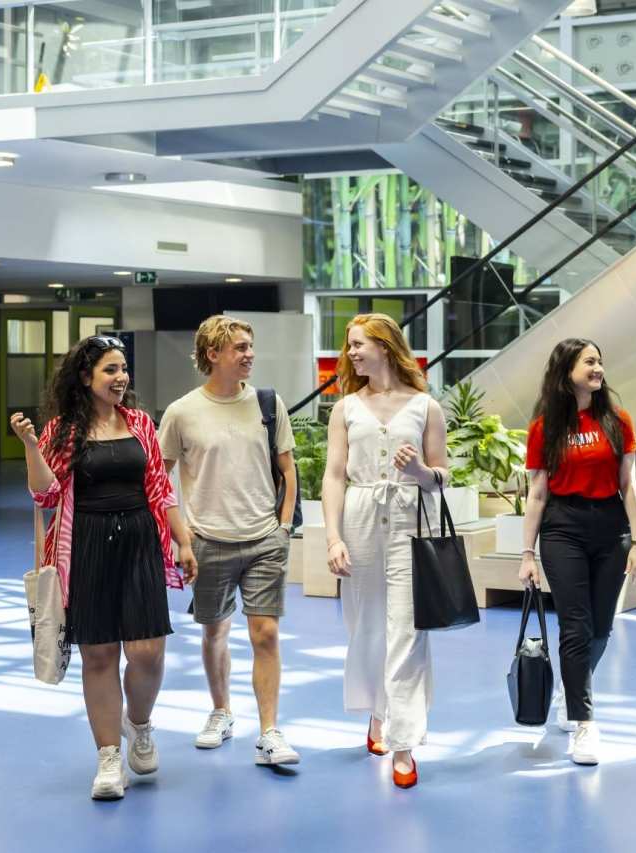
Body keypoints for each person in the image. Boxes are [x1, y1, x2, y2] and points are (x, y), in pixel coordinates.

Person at [11, 335, 197, 800]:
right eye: (110, 371)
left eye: (123, 370)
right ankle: (109, 757)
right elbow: (45, 495)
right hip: (86, 544)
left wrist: (184, 540)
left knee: (147, 651)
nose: (121, 378)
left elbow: (160, 487)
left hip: (139, 540)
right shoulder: (61, 432)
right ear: (85, 378)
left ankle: (140, 722)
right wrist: (32, 445)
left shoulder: (139, 423)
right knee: (99, 655)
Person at [158, 316, 300, 767]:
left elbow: (289, 470)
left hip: (263, 539)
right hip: (209, 541)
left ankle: (269, 731)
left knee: (267, 634)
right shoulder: (182, 412)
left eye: (250, 346)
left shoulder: (267, 403)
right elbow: (161, 481)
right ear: (213, 354)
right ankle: (221, 711)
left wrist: (281, 528)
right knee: (214, 630)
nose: (249, 354)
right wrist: (183, 539)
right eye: (239, 347)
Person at [321, 313, 448, 789]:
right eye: (349, 345)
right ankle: (378, 711)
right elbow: (334, 476)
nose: (351, 352)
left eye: (359, 344)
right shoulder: (346, 408)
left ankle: (404, 742)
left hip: (412, 519)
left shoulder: (424, 407)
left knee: (407, 629)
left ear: (386, 346)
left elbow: (442, 475)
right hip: (359, 516)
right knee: (367, 625)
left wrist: (417, 471)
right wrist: (332, 537)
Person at [518, 338, 636, 765]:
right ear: (566, 369)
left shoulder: (617, 419)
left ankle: (572, 687)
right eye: (589, 361)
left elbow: (629, 485)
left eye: (600, 362)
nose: (598, 368)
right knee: (575, 627)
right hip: (563, 528)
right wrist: (526, 552)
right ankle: (584, 723)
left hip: (610, 529)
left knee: (601, 629)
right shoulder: (544, 427)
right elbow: (537, 494)